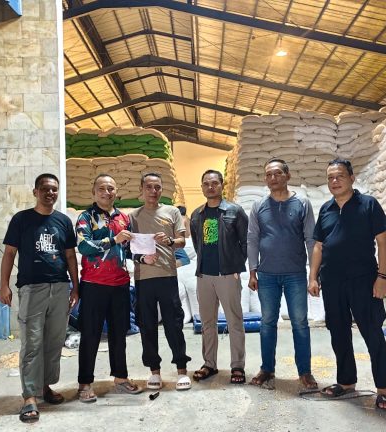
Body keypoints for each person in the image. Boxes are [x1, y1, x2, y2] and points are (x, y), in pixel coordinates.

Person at [309, 158, 386, 412]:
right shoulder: (326, 209)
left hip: (364, 280)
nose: (334, 181)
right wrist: (313, 277)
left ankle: (384, 389)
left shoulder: (368, 204)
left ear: (351, 178)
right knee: (338, 332)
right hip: (332, 281)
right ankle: (346, 382)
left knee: (372, 332)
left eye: (339, 176)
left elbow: (383, 241)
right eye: (330, 178)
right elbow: (318, 246)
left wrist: (382, 277)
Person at [0, 173, 79, 423]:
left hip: (60, 288)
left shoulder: (63, 221)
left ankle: (45, 387)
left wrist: (75, 288)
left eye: (54, 189)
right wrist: (4, 285)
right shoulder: (21, 219)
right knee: (32, 343)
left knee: (53, 342)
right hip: (32, 289)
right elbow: (9, 253)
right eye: (45, 189)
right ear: (35, 192)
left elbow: (70, 256)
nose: (50, 193)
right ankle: (29, 396)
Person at [247, 158, 318, 394]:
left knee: (300, 323)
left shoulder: (302, 203)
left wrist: (313, 275)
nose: (272, 178)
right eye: (268, 174)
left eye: (277, 173)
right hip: (266, 275)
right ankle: (267, 369)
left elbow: (311, 240)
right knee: (267, 323)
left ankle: (305, 371)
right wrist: (253, 271)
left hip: (295, 274)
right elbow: (252, 239)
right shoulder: (259, 206)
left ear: (288, 175)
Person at [74, 174, 146, 403]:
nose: (107, 192)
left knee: (119, 334)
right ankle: (85, 383)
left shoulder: (124, 218)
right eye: (102, 188)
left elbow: (130, 250)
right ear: (94, 192)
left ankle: (120, 378)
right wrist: (113, 240)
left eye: (111, 188)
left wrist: (145, 257)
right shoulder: (85, 217)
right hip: (93, 285)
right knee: (90, 335)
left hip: (120, 285)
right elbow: (84, 246)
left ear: (116, 192)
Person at [129, 172, 192, 391]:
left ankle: (181, 370)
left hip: (167, 276)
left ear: (162, 190)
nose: (153, 191)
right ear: (141, 189)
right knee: (147, 325)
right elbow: (128, 247)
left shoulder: (172, 212)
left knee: (174, 324)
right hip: (143, 278)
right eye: (149, 187)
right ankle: (154, 371)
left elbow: (182, 241)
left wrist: (171, 240)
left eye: (157, 187)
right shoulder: (133, 216)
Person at [189, 169, 249, 384]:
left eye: (214, 183)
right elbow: (197, 243)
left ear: (222, 185)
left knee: (234, 321)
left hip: (227, 275)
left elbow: (246, 242)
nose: (210, 187)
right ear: (202, 187)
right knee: (207, 322)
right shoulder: (197, 215)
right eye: (206, 183)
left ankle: (237, 366)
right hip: (204, 275)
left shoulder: (235, 211)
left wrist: (236, 266)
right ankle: (209, 364)